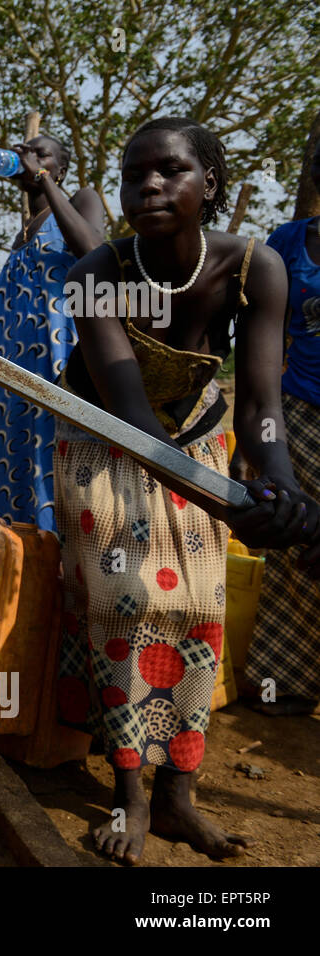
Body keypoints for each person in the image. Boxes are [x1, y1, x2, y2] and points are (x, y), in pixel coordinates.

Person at [53, 117, 310, 864]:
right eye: (135, 175)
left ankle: (177, 798)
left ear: (212, 184)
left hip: (198, 435)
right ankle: (129, 795)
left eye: (169, 172)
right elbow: (128, 410)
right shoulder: (92, 278)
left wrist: (281, 489)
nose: (149, 187)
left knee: (198, 609)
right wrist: (229, 502)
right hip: (107, 440)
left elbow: (261, 406)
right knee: (124, 607)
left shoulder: (254, 267)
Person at [0, 133, 106, 533]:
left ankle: (63, 580)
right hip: (14, 387)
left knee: (54, 477)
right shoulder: (21, 235)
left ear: (62, 168)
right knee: (16, 481)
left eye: (43, 154)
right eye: (27, 151)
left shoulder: (81, 201)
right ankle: (21, 579)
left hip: (58, 374)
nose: (31, 157)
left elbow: (94, 250)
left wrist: (43, 181)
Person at [241, 143, 320, 717]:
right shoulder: (288, 243)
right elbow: (263, 336)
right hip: (296, 411)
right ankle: (286, 682)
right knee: (297, 539)